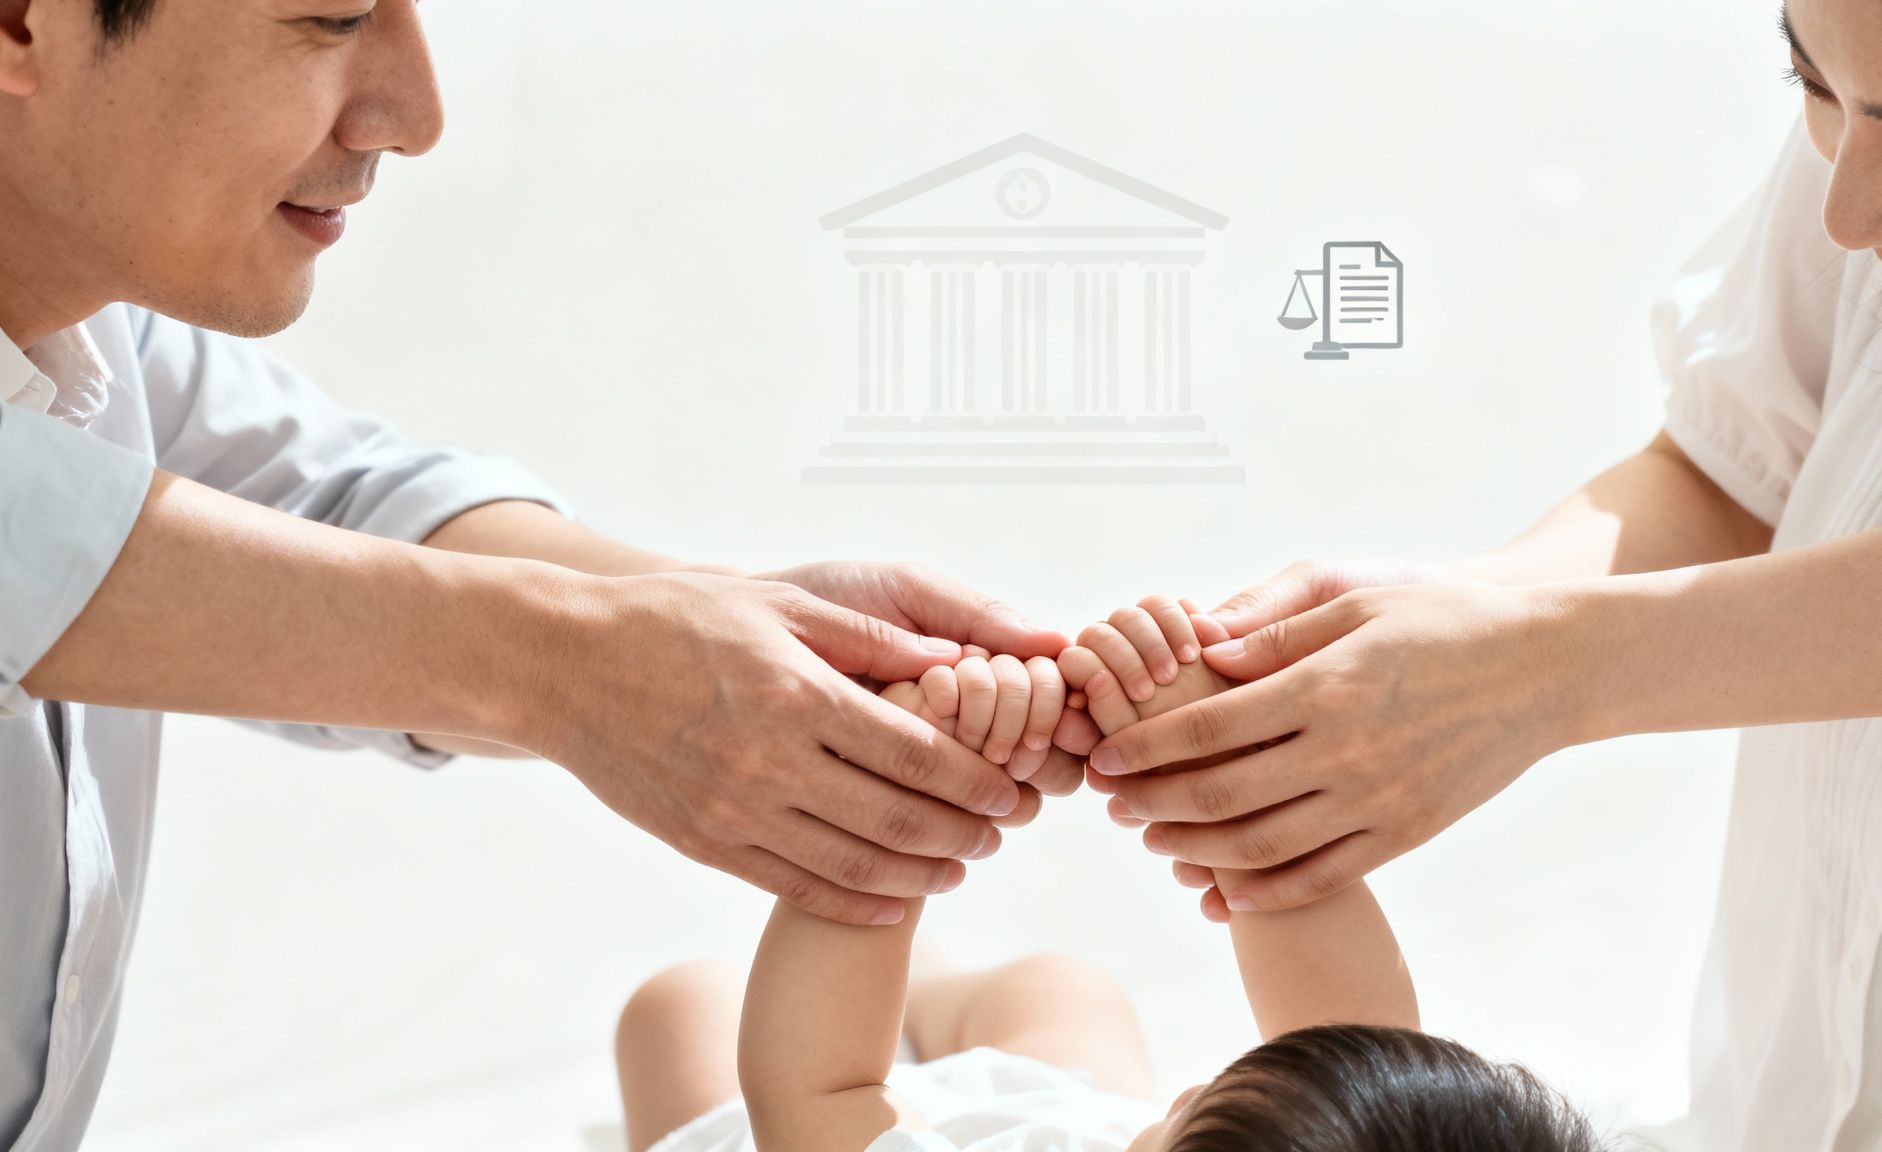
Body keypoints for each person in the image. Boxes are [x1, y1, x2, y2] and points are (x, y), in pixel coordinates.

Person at [0, 2, 1098, 1148]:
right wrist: (584, 666)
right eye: (328, 18)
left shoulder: (86, 315)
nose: (414, 118)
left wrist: (735, 636)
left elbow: (327, 508)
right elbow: (50, 548)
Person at [1082, 0, 1882, 1147]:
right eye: (1809, 86)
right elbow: (1735, 467)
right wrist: (1465, 622)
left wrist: (1535, 667)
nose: (1840, 215)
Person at [613, 599, 1602, 1152]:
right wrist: (1203, 762)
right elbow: (1348, 1032)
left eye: (1194, 1109)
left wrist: (905, 808)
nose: (1202, 1077)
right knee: (1061, 987)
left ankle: (902, 990)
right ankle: (924, 998)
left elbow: (815, 1087)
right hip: (1061, 1123)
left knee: (681, 1008)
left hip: (828, 1128)